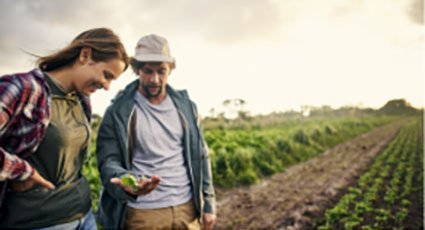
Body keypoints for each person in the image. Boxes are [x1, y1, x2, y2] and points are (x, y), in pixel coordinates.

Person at [0, 27, 129, 229]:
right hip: (38, 222)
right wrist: (21, 171)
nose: (106, 86)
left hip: (84, 216)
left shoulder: (81, 99)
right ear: (85, 55)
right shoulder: (23, 87)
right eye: (106, 75)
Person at [96, 34, 216, 229]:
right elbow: (108, 160)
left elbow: (201, 156)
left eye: (161, 71)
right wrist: (128, 183)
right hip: (142, 213)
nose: (155, 79)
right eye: (148, 71)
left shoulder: (187, 107)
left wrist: (208, 204)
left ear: (170, 70)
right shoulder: (117, 111)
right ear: (137, 70)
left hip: (187, 209)